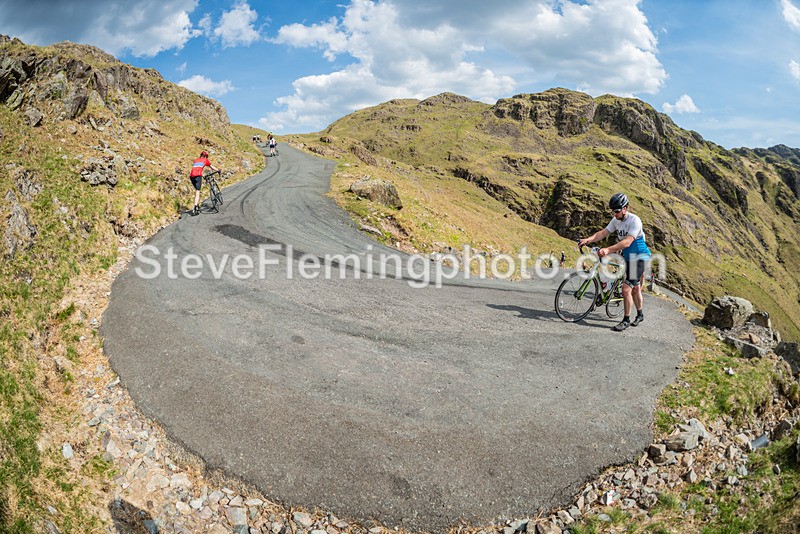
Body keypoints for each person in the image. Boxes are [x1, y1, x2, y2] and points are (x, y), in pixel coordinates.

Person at [578, 193, 651, 331]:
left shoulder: (635, 220)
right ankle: (640, 314)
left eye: (617, 211)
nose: (615, 214)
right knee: (635, 288)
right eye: (613, 211)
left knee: (626, 289)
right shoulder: (615, 220)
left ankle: (626, 320)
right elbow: (603, 233)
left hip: (639, 257)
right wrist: (587, 240)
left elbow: (628, 242)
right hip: (627, 257)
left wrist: (608, 250)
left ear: (625, 208)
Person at [189, 150, 219, 216]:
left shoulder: (196, 160)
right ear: (205, 156)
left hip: (191, 176)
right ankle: (195, 208)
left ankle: (197, 205)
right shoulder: (205, 160)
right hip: (198, 177)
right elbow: (212, 167)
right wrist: (218, 170)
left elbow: (197, 169)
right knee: (197, 192)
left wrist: (203, 175)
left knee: (197, 191)